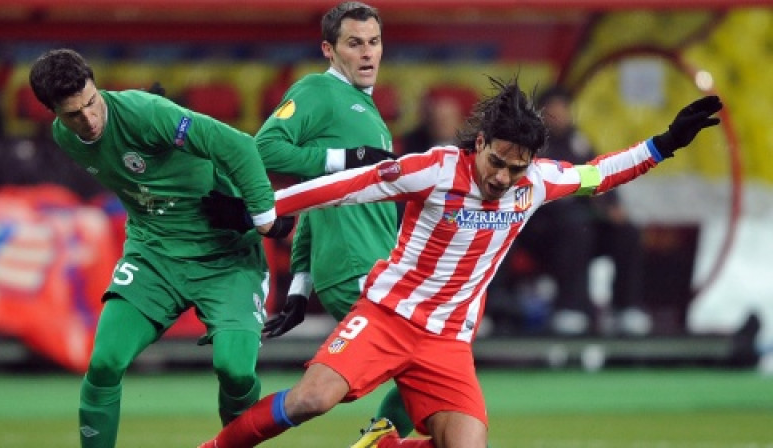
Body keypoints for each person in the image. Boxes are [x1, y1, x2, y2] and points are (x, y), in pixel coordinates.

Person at [197, 77, 722, 448]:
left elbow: (598, 175)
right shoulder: (434, 170)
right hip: (384, 318)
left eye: (515, 169)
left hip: (446, 341)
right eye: (496, 162)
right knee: (313, 399)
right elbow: (343, 187)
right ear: (478, 144)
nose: (501, 178)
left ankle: (386, 446)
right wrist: (255, 211)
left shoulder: (536, 182)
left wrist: (665, 143)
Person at [28, 48, 293, 448]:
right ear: (53, 113)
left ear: (96, 86)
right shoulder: (66, 138)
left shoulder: (144, 113)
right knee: (103, 363)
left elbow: (237, 145)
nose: (88, 119)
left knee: (235, 371)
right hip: (154, 256)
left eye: (91, 103)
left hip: (225, 256)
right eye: (73, 114)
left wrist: (263, 215)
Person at [252, 1, 412, 438]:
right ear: (329, 49)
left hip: (378, 266)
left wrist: (300, 289)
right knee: (431, 362)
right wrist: (348, 158)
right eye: (354, 43)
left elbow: (314, 201)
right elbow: (263, 148)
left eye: (374, 43)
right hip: (354, 267)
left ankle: (378, 437)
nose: (367, 53)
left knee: (425, 372)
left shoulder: (367, 108)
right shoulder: (316, 92)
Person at [497, 85, 651, 336]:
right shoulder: (529, 145)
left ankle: (626, 308)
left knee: (627, 232)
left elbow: (601, 178)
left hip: (584, 222)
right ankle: (570, 308)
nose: (559, 114)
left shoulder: (580, 143)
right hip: (541, 228)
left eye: (563, 108)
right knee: (575, 227)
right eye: (552, 109)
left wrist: (611, 207)